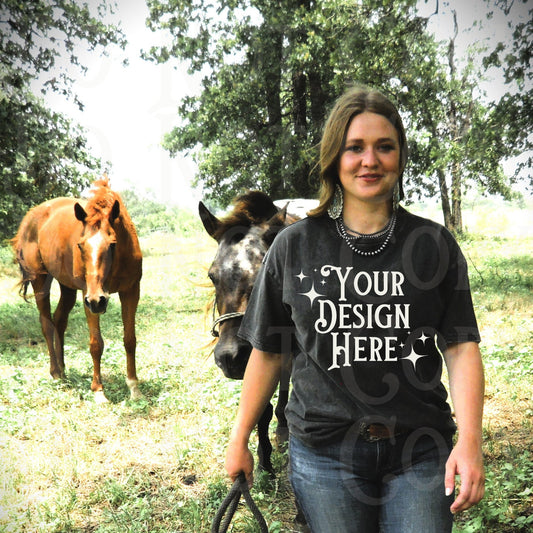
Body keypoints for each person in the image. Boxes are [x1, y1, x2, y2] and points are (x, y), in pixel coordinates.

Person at [225, 85, 485, 532]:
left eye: (384, 147)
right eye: (355, 148)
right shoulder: (294, 246)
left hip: (420, 450)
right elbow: (269, 351)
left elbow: (461, 348)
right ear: (334, 158)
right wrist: (240, 436)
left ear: (400, 156)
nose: (370, 160)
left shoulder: (432, 245)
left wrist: (472, 441)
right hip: (324, 455)